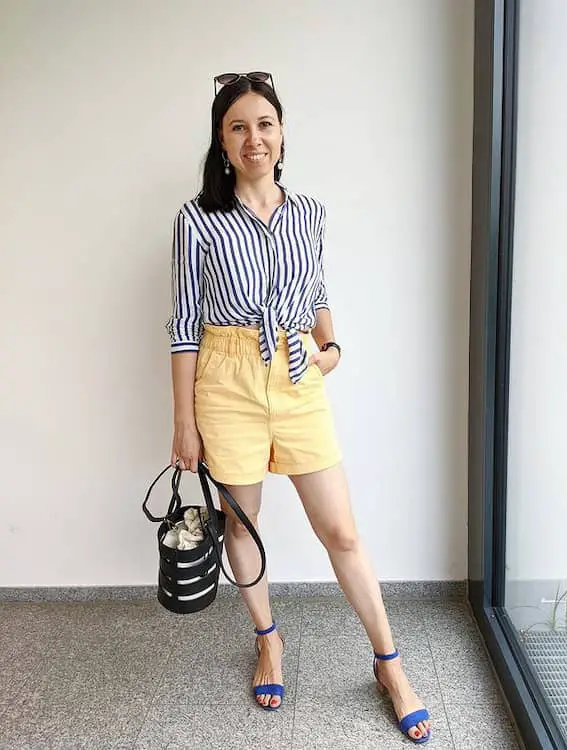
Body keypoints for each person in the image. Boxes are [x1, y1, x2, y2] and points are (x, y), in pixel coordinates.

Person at [166, 71, 431, 744]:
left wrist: (331, 347)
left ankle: (390, 664)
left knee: (340, 531)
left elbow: (316, 293)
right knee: (242, 526)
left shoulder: (309, 211)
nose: (253, 137)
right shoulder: (196, 219)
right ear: (221, 143)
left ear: (281, 134)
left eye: (264, 124)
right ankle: (268, 639)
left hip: (297, 377)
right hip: (225, 380)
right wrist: (183, 423)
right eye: (238, 126)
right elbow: (182, 325)